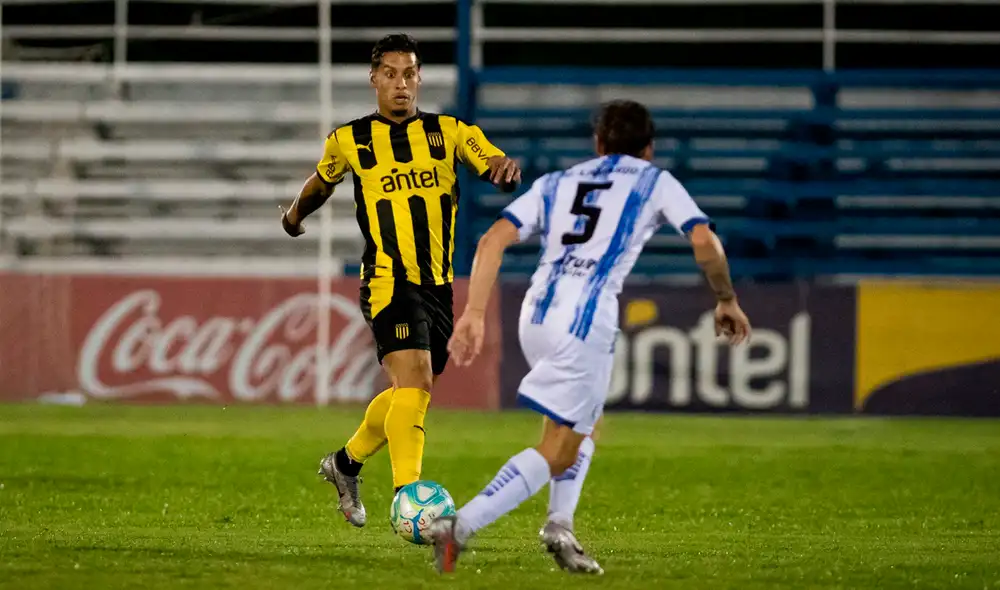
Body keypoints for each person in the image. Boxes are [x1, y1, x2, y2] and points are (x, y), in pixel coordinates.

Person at [426, 99, 751, 574]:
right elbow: (704, 240)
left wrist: (474, 312)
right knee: (560, 449)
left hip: (535, 312)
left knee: (581, 427)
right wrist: (725, 298)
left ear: (597, 144)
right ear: (649, 148)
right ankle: (458, 527)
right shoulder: (654, 179)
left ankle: (559, 527)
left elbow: (492, 238)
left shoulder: (558, 182)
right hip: (585, 316)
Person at [279, 33, 522, 528]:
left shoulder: (449, 131)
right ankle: (410, 500)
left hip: (437, 285)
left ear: (419, 78)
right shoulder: (349, 140)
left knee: (415, 389)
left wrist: (503, 172)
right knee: (415, 380)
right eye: (390, 73)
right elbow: (322, 181)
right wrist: (293, 216)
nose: (401, 84)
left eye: (409, 73)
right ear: (374, 79)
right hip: (387, 281)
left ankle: (345, 463)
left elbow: (491, 160)